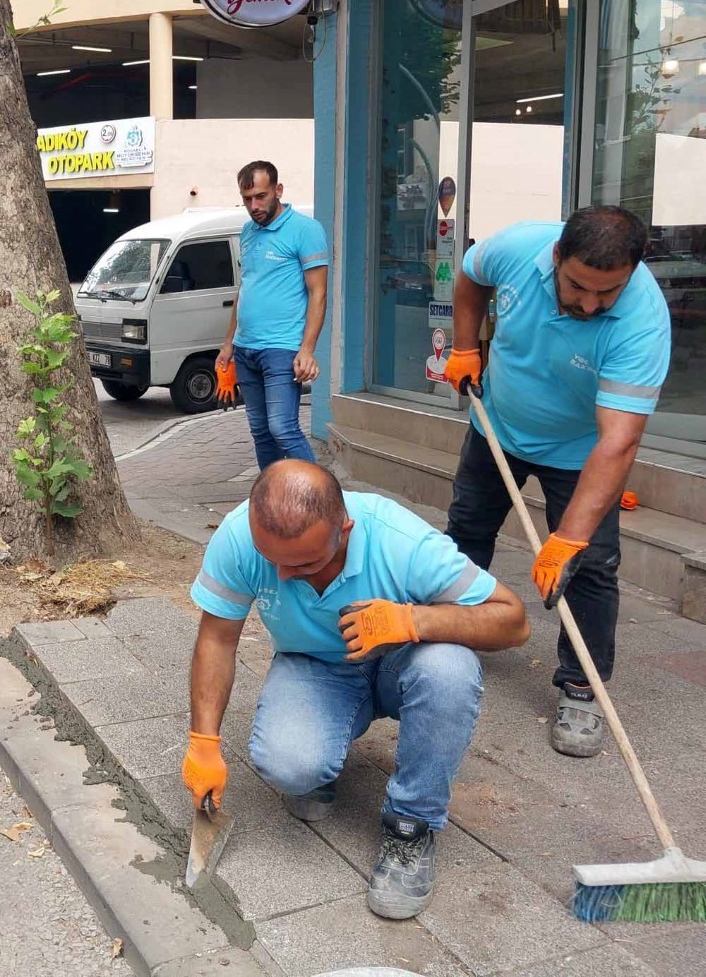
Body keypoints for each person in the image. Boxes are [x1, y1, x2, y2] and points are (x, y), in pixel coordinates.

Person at [182, 461, 527, 919]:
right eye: (275, 562)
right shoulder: (239, 537)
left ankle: (412, 824)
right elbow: (217, 639)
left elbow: (514, 621)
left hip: (405, 661)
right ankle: (320, 764)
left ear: (344, 530)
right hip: (316, 664)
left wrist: (412, 620)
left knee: (449, 669)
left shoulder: (401, 542)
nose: (284, 576)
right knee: (290, 765)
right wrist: (204, 741)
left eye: (305, 562)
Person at [442, 207, 670, 758]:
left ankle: (580, 685)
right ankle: (447, 634)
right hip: (496, 423)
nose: (590, 304)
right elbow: (470, 277)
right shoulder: (518, 246)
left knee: (589, 565)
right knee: (466, 532)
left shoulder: (643, 322)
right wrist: (466, 343)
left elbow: (617, 442)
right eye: (578, 287)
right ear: (555, 258)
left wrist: (566, 539)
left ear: (633, 273)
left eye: (607, 292)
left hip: (580, 452)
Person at [217, 161, 329, 469]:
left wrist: (307, 350)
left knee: (283, 428)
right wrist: (228, 344)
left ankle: (323, 501)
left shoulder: (305, 230)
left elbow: (319, 293)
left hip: (282, 348)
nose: (254, 206)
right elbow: (245, 288)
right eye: (247, 198)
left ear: (278, 190)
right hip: (245, 349)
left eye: (261, 196)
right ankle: (272, 503)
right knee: (261, 432)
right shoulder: (248, 232)